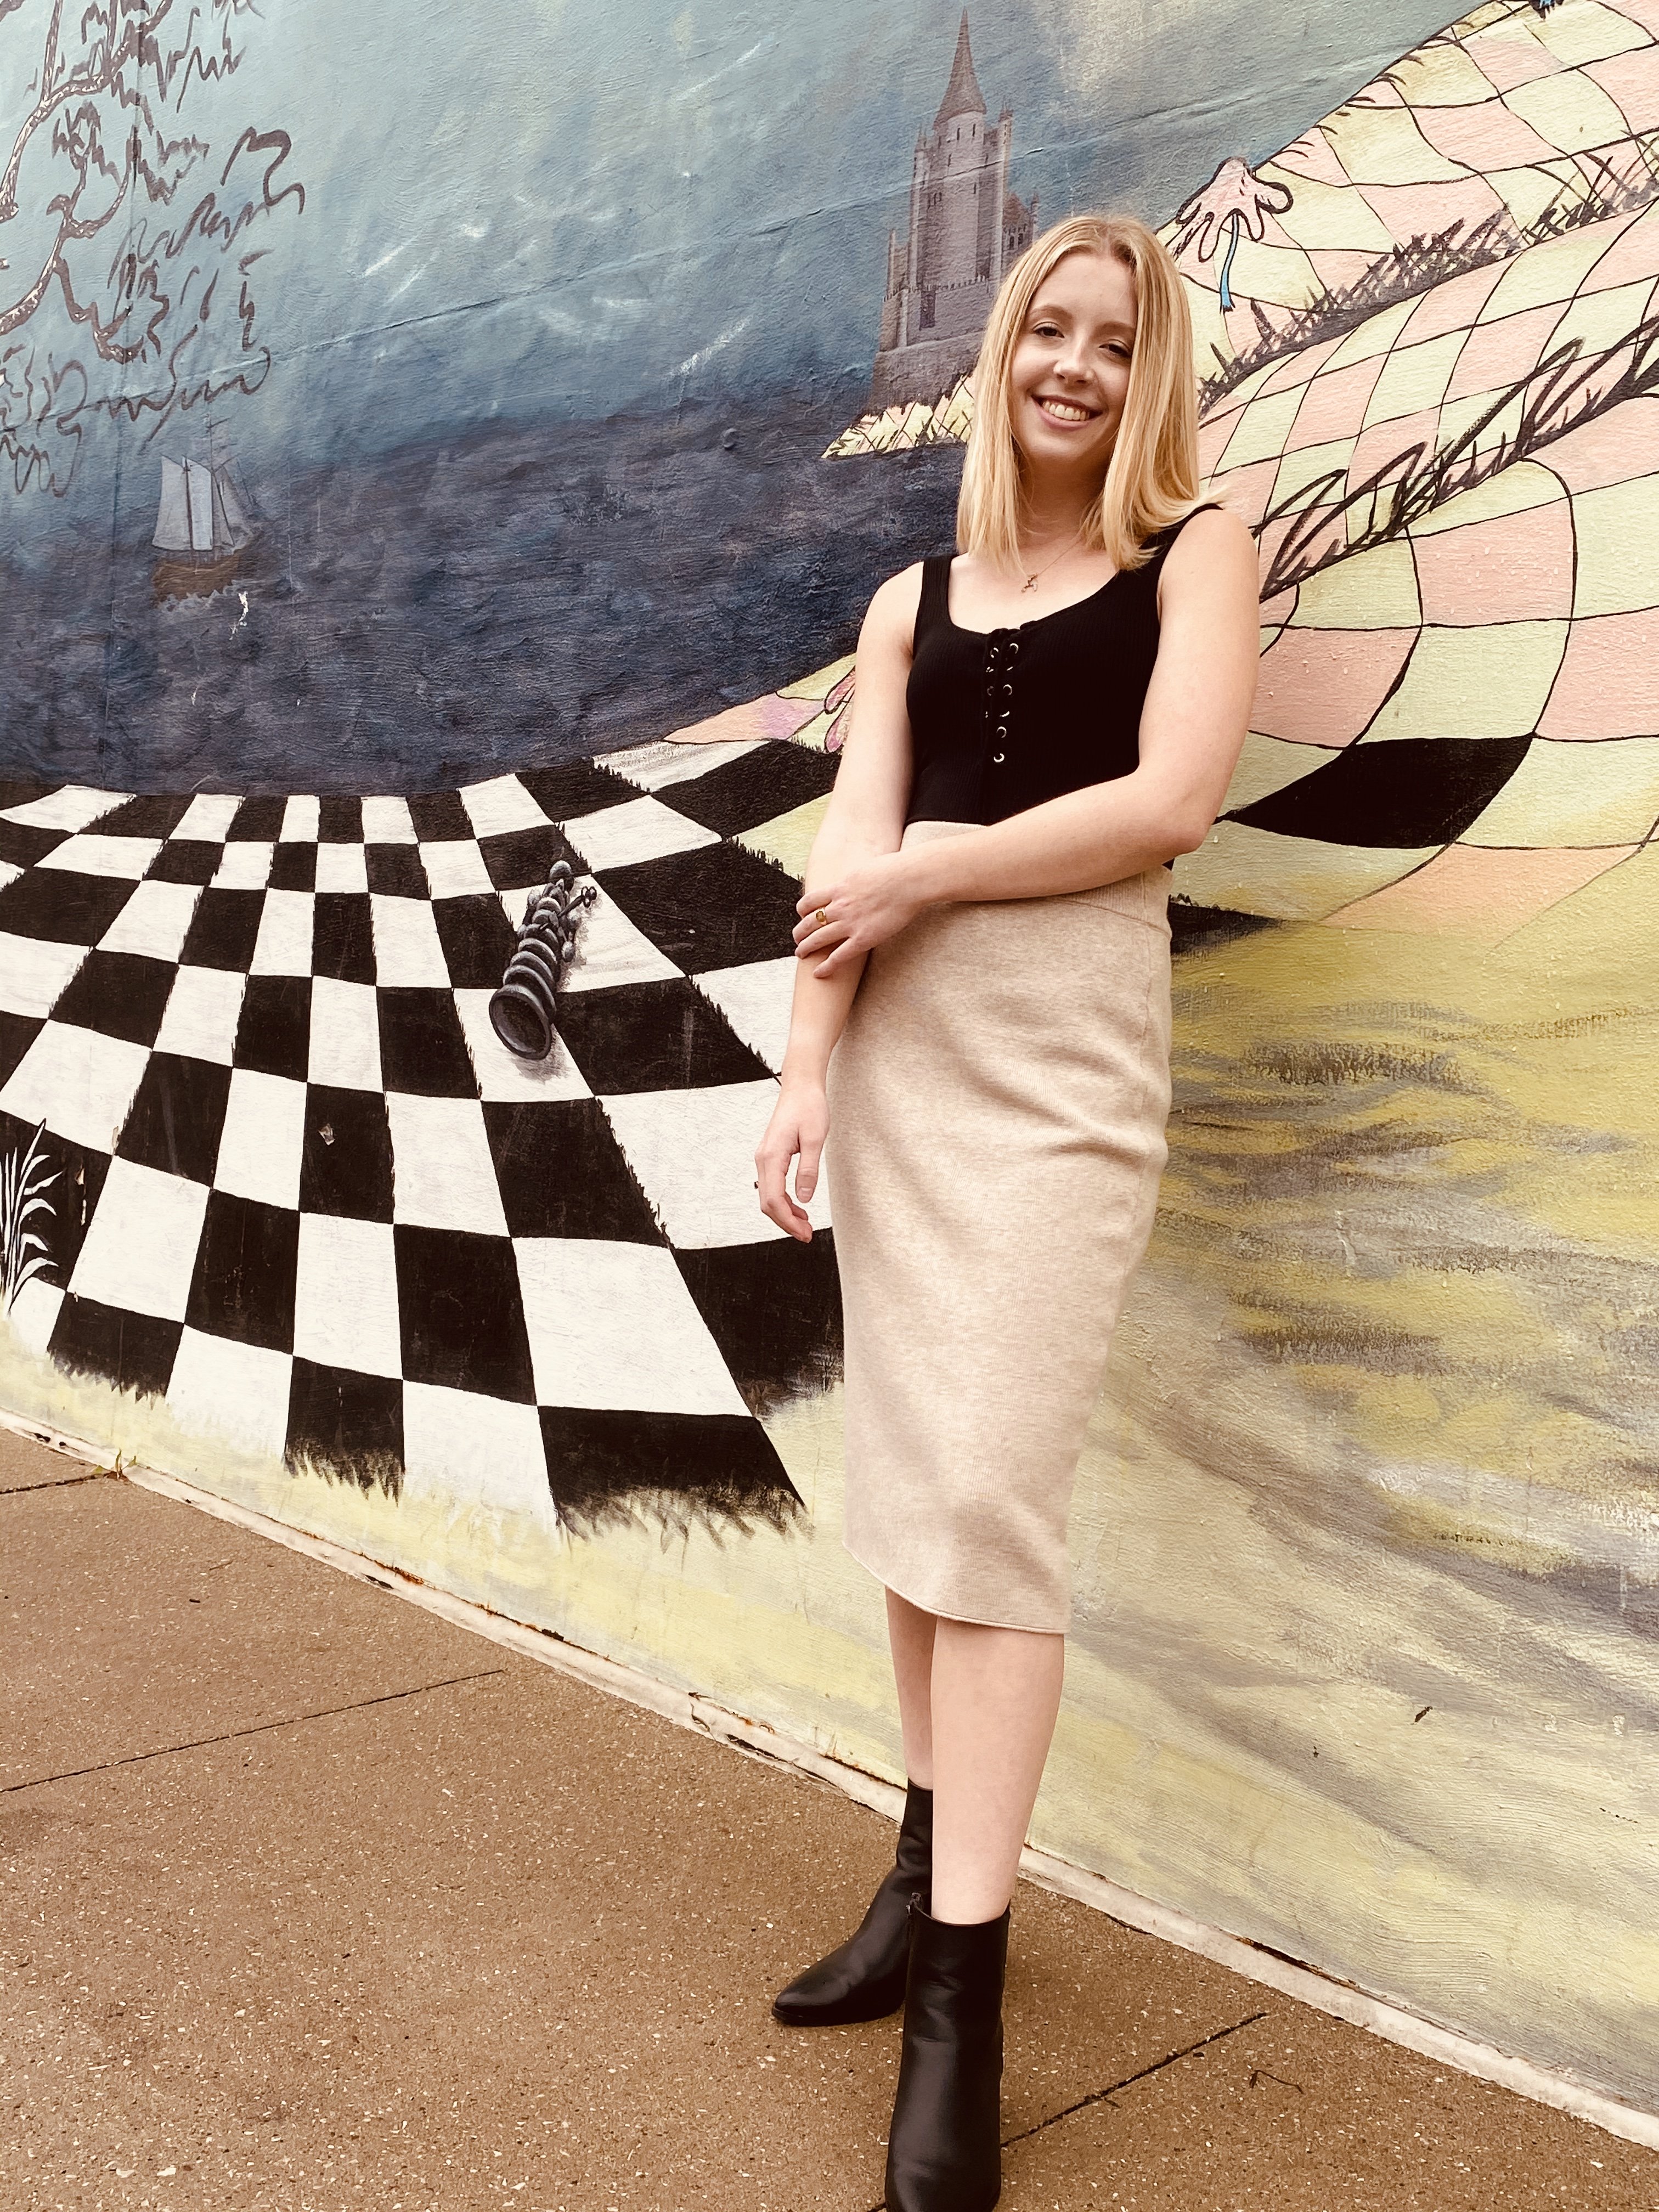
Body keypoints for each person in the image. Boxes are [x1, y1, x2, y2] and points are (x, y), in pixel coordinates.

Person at [754, 210, 1259, 2212]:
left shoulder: (1195, 548)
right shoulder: (914, 594)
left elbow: (1168, 804)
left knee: (989, 1501)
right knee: (909, 1483)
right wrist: (805, 1065)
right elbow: (847, 849)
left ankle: (963, 2000)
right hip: (899, 1068)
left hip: (1056, 1064)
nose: (1069, 364)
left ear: (1155, 375)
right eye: (1042, 327)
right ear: (997, 349)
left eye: (1110, 342)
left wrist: (924, 881)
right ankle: (916, 1879)